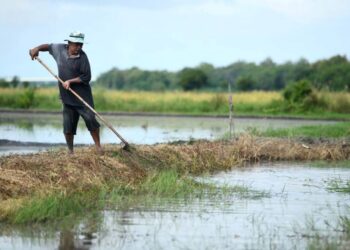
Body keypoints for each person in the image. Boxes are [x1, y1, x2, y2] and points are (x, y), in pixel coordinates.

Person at [29, 31, 102, 154]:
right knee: (68, 127)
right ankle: (70, 151)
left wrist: (70, 81)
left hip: (83, 98)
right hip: (67, 97)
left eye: (81, 45)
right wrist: (36, 49)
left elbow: (86, 77)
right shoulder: (59, 49)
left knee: (91, 120)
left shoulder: (83, 57)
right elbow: (47, 46)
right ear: (69, 43)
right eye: (76, 44)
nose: (78, 47)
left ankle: (98, 147)